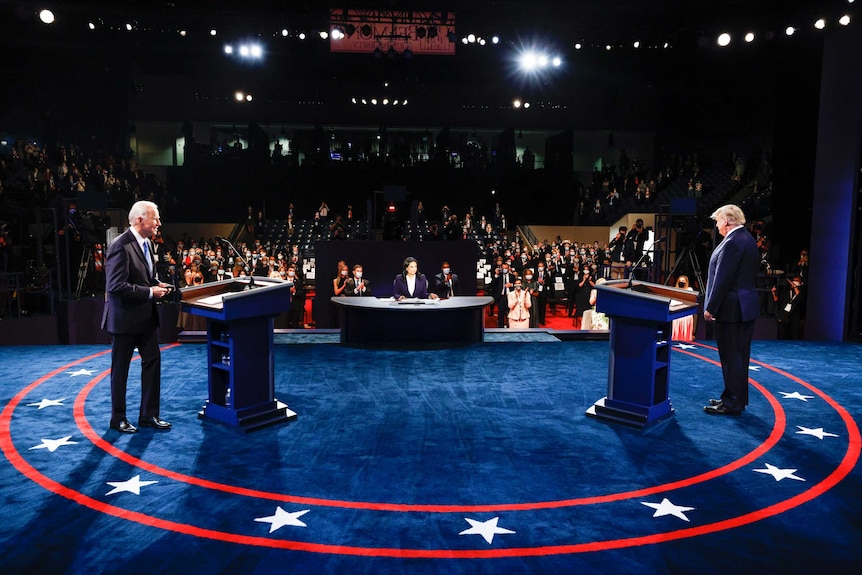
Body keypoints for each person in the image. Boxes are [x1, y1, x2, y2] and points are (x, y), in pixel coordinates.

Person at [101, 200, 173, 433]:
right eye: (156, 218)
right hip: (123, 320)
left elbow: (143, 277)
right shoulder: (120, 246)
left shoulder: (148, 244)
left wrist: (156, 284)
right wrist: (150, 292)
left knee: (152, 363)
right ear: (140, 220)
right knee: (120, 370)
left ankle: (148, 415)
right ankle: (118, 418)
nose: (159, 224)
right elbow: (116, 286)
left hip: (145, 319)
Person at [703, 204, 759, 416]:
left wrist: (710, 307)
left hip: (732, 309)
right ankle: (734, 398)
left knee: (732, 356)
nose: (717, 226)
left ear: (726, 221)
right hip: (742, 307)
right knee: (737, 356)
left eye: (717, 221)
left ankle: (732, 402)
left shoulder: (734, 242)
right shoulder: (746, 238)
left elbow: (723, 279)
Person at [671, 275, 696, 341]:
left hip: (686, 312)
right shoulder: (674, 290)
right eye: (680, 281)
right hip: (676, 310)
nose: (681, 282)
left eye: (683, 281)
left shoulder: (689, 289)